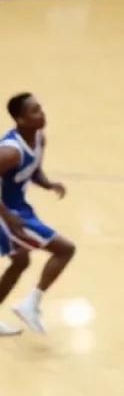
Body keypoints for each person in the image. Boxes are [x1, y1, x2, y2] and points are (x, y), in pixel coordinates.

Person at [0, 93, 75, 336]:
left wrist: (48, 184)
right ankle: (30, 303)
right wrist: (8, 217)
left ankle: (28, 304)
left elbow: (33, 171)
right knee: (65, 249)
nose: (41, 114)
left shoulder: (39, 138)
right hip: (6, 212)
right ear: (20, 120)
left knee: (21, 261)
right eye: (34, 111)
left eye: (40, 108)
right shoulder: (10, 152)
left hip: (17, 208)